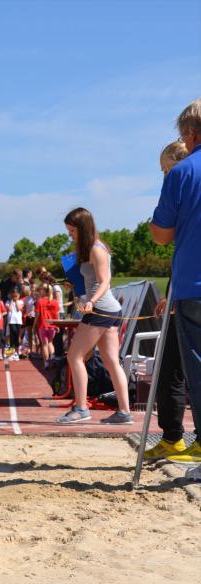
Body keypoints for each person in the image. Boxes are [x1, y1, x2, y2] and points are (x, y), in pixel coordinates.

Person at [150, 98, 201, 480]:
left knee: (196, 370)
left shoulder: (182, 173)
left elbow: (161, 235)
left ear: (190, 133)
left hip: (193, 285)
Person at [56, 207, 132, 425]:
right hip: (106, 310)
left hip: (101, 310)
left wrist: (91, 301)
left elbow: (105, 280)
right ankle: (124, 412)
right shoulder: (90, 249)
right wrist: (76, 287)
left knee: (74, 356)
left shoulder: (97, 250)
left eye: (72, 230)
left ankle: (81, 408)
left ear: (83, 228)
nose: (70, 235)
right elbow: (92, 281)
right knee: (111, 361)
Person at [144, 141, 190, 460]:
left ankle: (177, 436)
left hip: (190, 292)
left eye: (166, 169)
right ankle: (172, 436)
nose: (164, 177)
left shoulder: (183, 188)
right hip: (182, 287)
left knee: (175, 367)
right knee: (169, 366)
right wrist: (170, 291)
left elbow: (162, 234)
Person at [34, 283, 59, 368]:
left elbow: (37, 315)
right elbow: (57, 315)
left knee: (44, 344)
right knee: (50, 343)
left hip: (42, 325)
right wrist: (57, 325)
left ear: (44, 291)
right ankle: (53, 357)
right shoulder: (55, 302)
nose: (39, 292)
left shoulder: (39, 301)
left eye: (40, 290)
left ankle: (46, 363)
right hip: (52, 326)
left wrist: (34, 325)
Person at [5, 287, 24, 361]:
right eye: (13, 296)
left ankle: (17, 353)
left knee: (17, 336)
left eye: (16, 296)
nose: (14, 297)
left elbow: (18, 309)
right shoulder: (8, 302)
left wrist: (16, 302)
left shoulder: (21, 302)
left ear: (19, 295)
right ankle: (10, 354)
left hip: (18, 322)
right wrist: (11, 301)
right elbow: (9, 309)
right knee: (11, 337)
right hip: (11, 321)